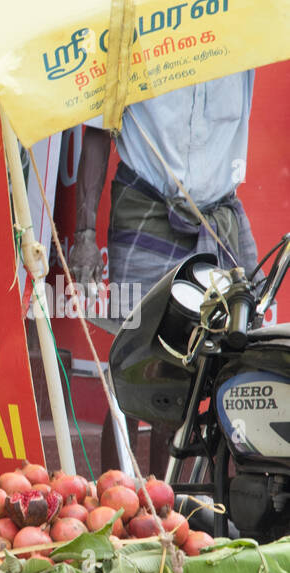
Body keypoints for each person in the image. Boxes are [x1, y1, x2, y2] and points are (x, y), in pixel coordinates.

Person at [72, 72, 260, 477]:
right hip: (146, 209)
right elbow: (97, 127)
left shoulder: (245, 29)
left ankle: (169, 502)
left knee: (198, 370)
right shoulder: (138, 20)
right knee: (135, 363)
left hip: (217, 217)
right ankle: (116, 499)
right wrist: (84, 232)